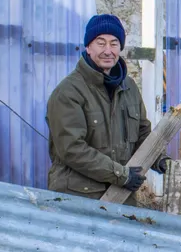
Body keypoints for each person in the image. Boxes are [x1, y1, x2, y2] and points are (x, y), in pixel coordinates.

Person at [46, 14, 168, 199]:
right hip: (78, 198)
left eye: (114, 43)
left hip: (121, 197)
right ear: (88, 47)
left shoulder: (129, 87)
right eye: (100, 43)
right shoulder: (68, 92)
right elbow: (72, 149)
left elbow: (142, 134)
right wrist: (121, 175)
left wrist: (160, 159)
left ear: (120, 47)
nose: (108, 51)